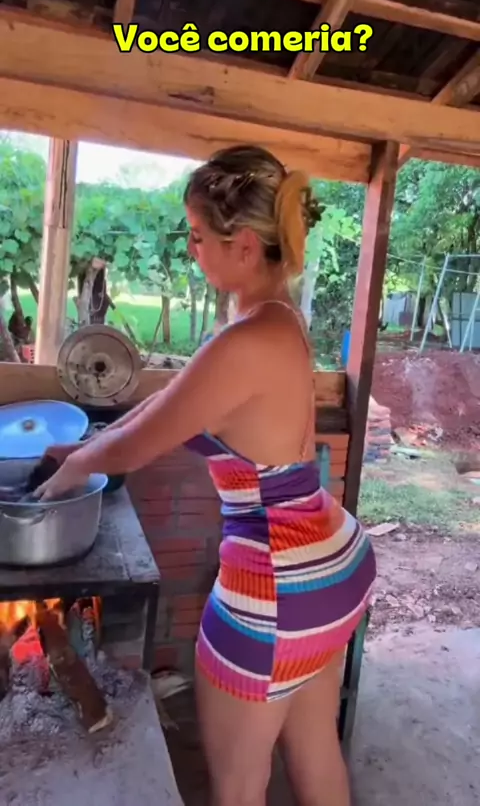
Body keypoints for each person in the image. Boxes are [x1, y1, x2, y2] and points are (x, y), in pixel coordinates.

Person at [35, 145, 376, 806]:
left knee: (238, 785)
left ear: (243, 245)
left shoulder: (243, 341)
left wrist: (78, 465)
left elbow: (142, 446)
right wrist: (95, 441)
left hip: (272, 584)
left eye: (197, 235)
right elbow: (173, 402)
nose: (190, 249)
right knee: (313, 748)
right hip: (327, 567)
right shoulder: (274, 319)